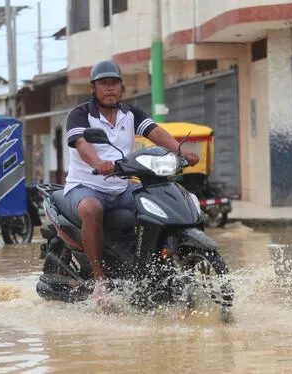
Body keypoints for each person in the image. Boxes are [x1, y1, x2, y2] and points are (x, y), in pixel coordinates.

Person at [64, 60, 200, 302]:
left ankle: (150, 269)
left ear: (121, 87)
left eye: (114, 83)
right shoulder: (80, 115)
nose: (109, 88)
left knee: (159, 200)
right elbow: (82, 145)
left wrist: (180, 152)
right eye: (103, 84)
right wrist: (98, 164)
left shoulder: (130, 113)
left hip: (121, 185)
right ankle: (100, 281)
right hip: (86, 186)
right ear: (93, 87)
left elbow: (155, 132)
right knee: (91, 209)